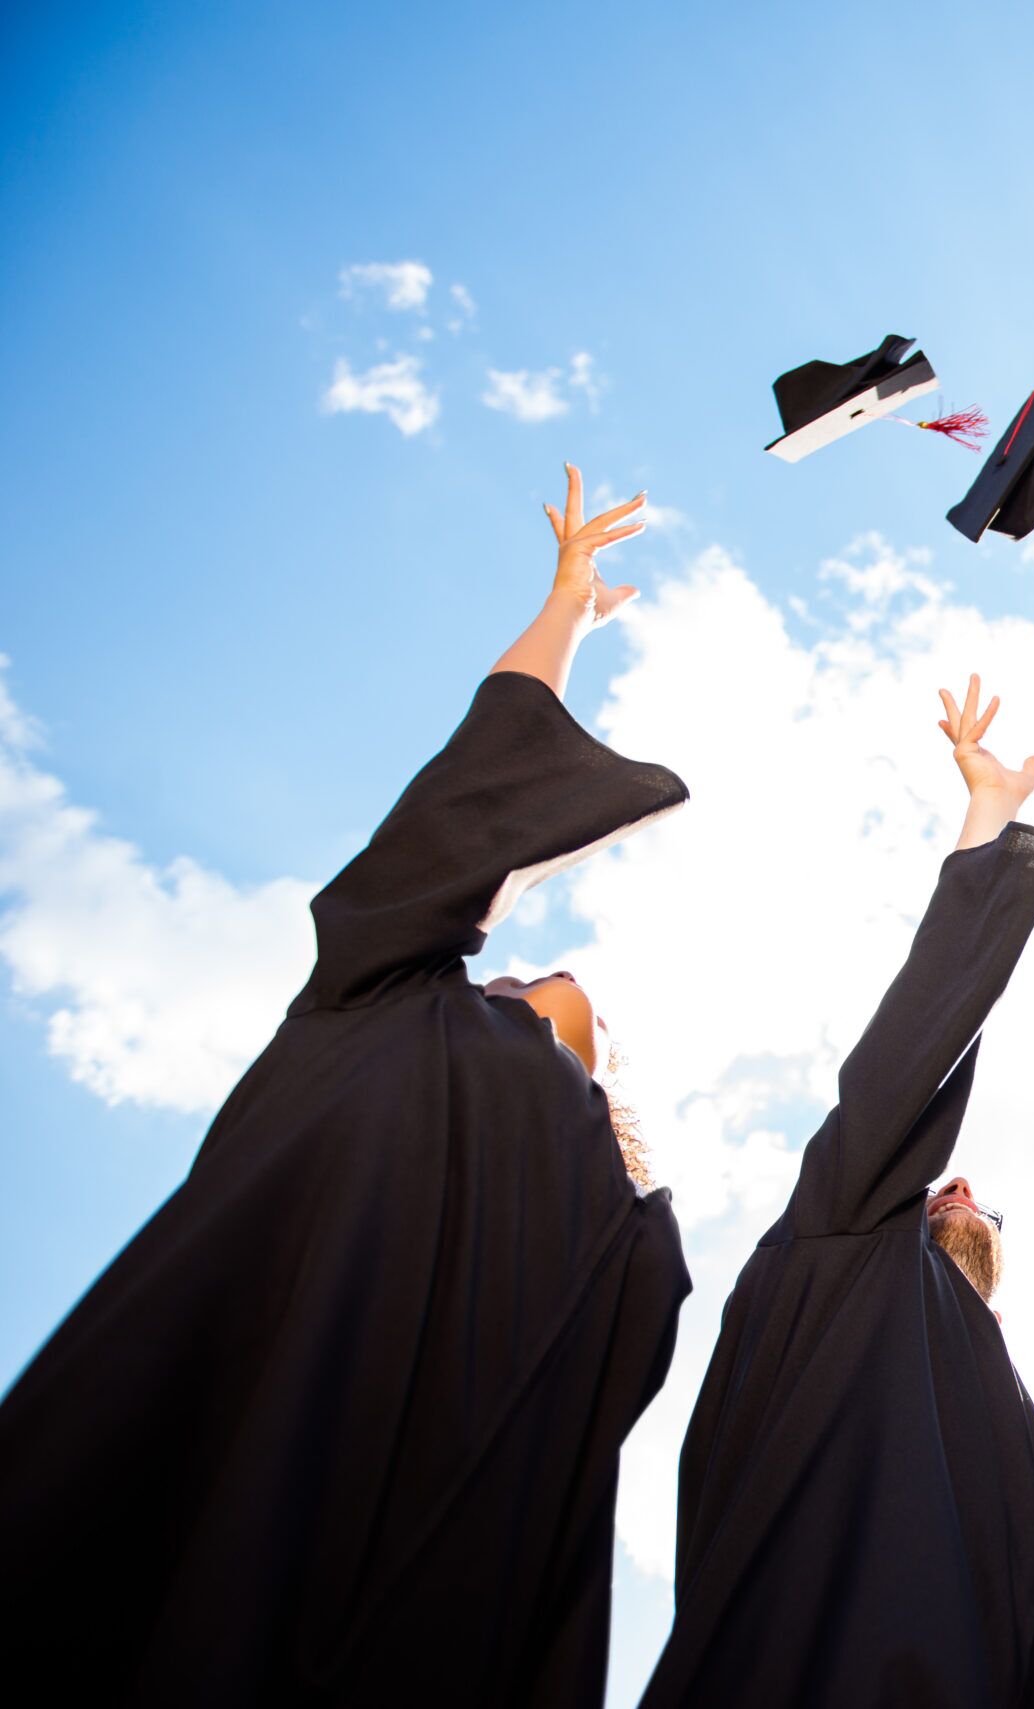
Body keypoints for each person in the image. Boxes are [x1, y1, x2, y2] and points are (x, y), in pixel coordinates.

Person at [0, 467, 689, 1705]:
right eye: (517, 964)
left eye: (535, 977)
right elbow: (455, 819)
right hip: (195, 1479)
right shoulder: (378, 1009)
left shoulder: (625, 1250)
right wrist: (564, 618)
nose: (541, 968)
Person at [641, 676, 1034, 1708]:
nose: (961, 1182)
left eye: (976, 1202)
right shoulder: (845, 1260)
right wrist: (985, 832)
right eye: (939, 1189)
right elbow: (899, 1074)